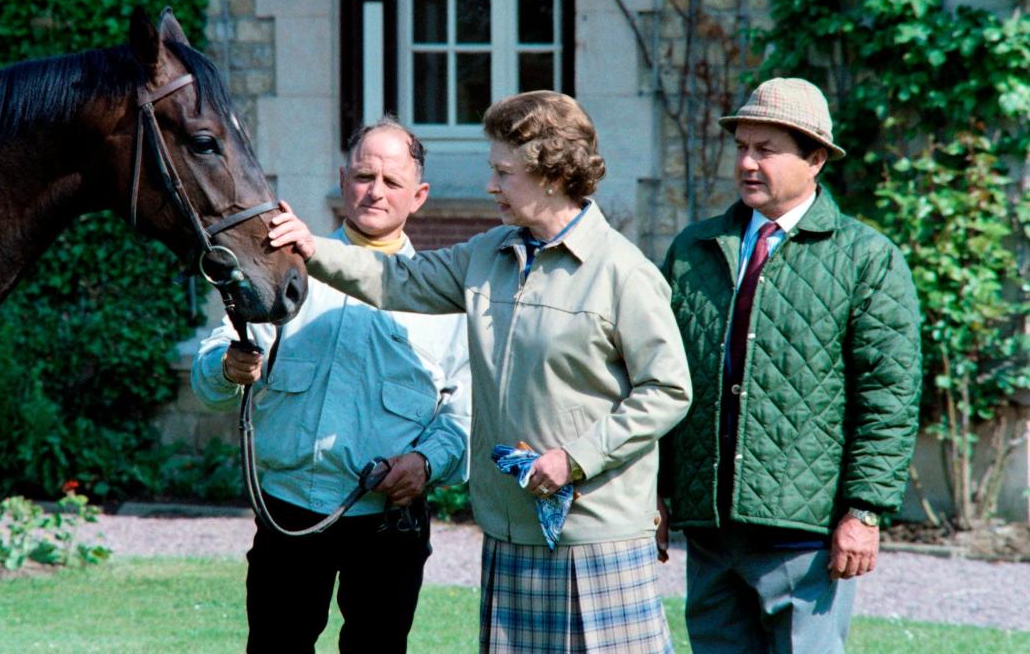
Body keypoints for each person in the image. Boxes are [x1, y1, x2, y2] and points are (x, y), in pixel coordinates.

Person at [267, 91, 692, 653]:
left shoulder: (623, 273)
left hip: (595, 535)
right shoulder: (488, 253)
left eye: (502, 172)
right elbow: (400, 279)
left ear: (551, 173)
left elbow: (668, 389)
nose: (490, 185)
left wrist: (576, 458)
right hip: (509, 528)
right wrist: (311, 248)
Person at [658, 77, 922, 653]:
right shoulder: (693, 251)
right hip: (709, 536)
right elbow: (659, 382)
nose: (748, 163)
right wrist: (653, 493)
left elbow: (889, 398)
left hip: (804, 542)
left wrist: (864, 511)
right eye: (742, 147)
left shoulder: (866, 259)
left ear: (817, 158)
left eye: (767, 150)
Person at [191, 117, 471, 654]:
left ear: (420, 195)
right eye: (365, 176)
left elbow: (466, 412)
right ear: (342, 179)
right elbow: (211, 375)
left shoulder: (445, 293)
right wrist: (228, 369)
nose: (375, 192)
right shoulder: (282, 267)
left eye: (392, 182)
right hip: (288, 509)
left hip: (389, 520)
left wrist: (427, 463)